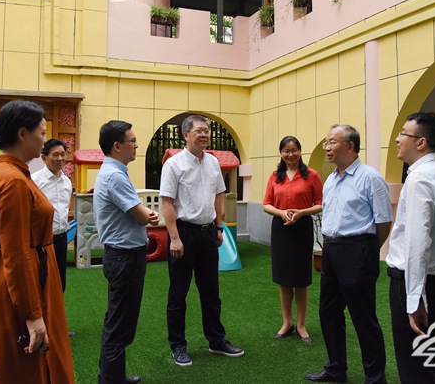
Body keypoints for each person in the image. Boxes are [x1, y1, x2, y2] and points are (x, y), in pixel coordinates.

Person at [0, 100, 75, 384]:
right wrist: (32, 314)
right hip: (17, 284)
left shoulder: (3, 171)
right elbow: (16, 252)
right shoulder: (14, 181)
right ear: (22, 134)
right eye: (41, 133)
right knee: (24, 371)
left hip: (14, 276)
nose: (43, 140)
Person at [306, 124, 393, 384]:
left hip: (358, 251)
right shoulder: (331, 179)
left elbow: (384, 221)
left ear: (350, 146)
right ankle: (336, 369)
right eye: (326, 143)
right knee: (329, 312)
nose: (327, 148)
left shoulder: (370, 177)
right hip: (331, 250)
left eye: (332, 142)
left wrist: (367, 250)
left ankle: (375, 378)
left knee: (363, 317)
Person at [160, 114, 244, 367]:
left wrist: (218, 228)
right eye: (199, 130)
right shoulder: (173, 165)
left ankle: (216, 340)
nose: (204, 134)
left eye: (207, 130)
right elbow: (167, 202)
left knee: (211, 292)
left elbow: (219, 195)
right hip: (183, 233)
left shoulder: (213, 162)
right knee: (178, 293)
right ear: (186, 134)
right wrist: (174, 238)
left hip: (209, 233)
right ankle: (178, 345)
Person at [386, 113, 435, 384]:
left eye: (403, 133)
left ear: (421, 142)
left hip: (418, 285)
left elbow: (417, 244)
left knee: (417, 368)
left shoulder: (420, 179)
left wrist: (415, 300)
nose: (397, 139)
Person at [94, 120, 160, 384]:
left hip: (122, 256)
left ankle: (113, 376)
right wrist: (149, 214)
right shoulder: (115, 176)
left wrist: (145, 214)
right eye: (132, 141)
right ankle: (110, 379)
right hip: (125, 258)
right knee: (120, 324)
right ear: (117, 146)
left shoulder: (113, 172)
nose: (136, 145)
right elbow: (143, 216)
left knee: (118, 320)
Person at [263, 136, 323, 343]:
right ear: (281, 153)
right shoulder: (275, 176)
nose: (290, 154)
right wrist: (281, 213)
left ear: (300, 151)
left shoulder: (311, 175)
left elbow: (321, 203)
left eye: (294, 150)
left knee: (301, 278)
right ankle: (287, 323)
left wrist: (301, 212)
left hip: (302, 228)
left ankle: (301, 325)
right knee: (284, 278)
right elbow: (266, 204)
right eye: (286, 151)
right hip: (281, 229)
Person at [32, 139, 75, 337]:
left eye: (62, 154)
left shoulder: (66, 181)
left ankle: (56, 326)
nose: (60, 158)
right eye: (55, 154)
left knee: (59, 284)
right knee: (41, 283)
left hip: (60, 238)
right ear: (44, 158)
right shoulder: (34, 180)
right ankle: (40, 327)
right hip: (41, 241)